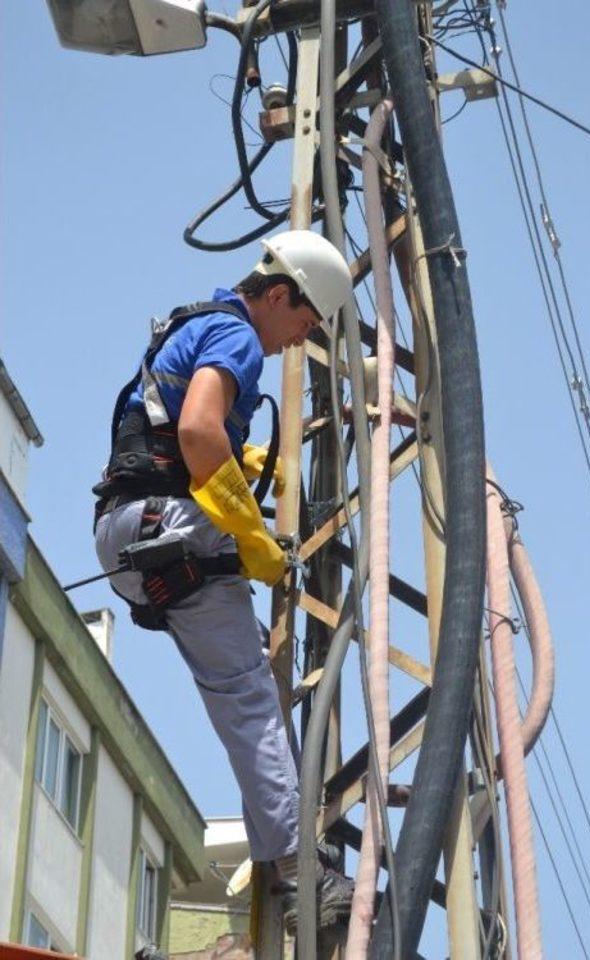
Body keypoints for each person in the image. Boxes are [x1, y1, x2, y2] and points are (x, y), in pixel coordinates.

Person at [93, 229, 354, 933]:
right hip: (165, 527)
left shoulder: (196, 325)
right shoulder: (237, 337)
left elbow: (191, 433)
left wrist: (248, 472)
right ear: (276, 295)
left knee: (236, 689)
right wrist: (250, 535)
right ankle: (302, 870)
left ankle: (286, 848)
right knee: (249, 695)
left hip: (131, 530)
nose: (297, 342)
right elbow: (201, 435)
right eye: (301, 324)